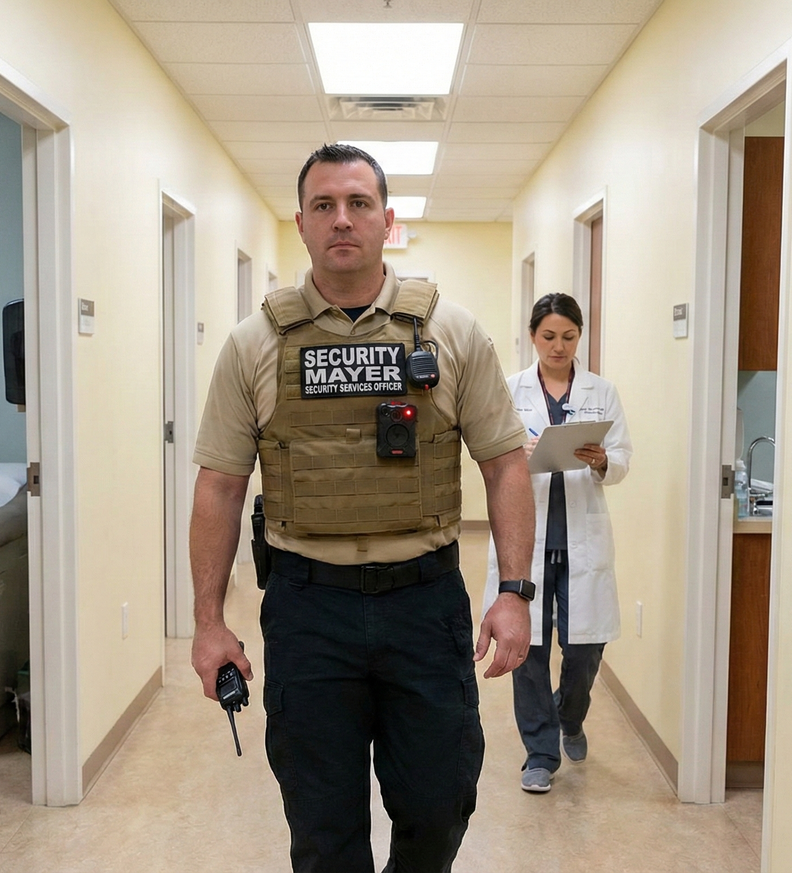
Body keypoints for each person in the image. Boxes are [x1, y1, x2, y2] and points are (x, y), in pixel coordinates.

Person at [188, 143, 536, 873]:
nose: (341, 219)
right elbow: (220, 484)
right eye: (323, 205)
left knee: (439, 805)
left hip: (425, 604)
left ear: (387, 220)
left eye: (358, 203)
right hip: (309, 608)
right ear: (302, 223)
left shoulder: (451, 332)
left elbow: (505, 463)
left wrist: (513, 591)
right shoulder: (254, 344)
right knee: (322, 826)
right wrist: (209, 622)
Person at [484, 293, 633, 794]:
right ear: (533, 336)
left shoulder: (601, 391)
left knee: (585, 648)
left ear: (579, 337)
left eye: (569, 337)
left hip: (582, 539)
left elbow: (623, 458)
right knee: (528, 648)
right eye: (549, 336)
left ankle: (569, 716)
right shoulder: (510, 389)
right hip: (526, 537)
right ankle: (540, 754)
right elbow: (489, 454)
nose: (559, 346)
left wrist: (602, 461)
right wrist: (517, 454)